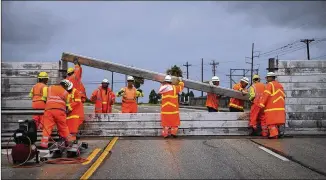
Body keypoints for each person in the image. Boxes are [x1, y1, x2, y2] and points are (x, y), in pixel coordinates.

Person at [40, 80, 73, 149]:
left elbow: (44, 99)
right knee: (63, 127)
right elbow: (67, 106)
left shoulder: (50, 88)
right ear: (66, 86)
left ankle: (44, 144)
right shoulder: (66, 93)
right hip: (60, 111)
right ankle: (69, 142)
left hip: (49, 110)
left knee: (47, 127)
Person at [259, 72, 286, 139]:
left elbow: (266, 95)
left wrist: (261, 104)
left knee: (271, 123)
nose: (267, 79)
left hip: (271, 108)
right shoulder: (280, 85)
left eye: (267, 78)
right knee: (277, 123)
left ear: (270, 77)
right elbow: (283, 96)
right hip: (280, 108)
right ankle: (278, 132)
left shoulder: (270, 84)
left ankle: (274, 134)